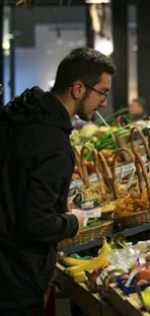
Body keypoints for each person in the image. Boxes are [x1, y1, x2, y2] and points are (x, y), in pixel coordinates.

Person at [0, 47, 116, 314]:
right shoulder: (52, 142)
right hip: (16, 276)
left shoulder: (21, 117)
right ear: (78, 89)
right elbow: (36, 221)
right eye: (103, 92)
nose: (104, 103)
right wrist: (73, 221)